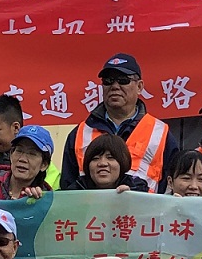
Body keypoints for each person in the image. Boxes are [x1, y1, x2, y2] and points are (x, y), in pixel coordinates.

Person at [61, 52, 171, 191]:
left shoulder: (160, 133)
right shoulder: (79, 133)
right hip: (90, 205)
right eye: (108, 80)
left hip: (143, 205)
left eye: (123, 80)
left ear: (139, 86)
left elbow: (172, 187)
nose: (114, 86)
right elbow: (67, 189)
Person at [0, 125, 53, 202]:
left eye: (32, 154)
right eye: (19, 151)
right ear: (11, 154)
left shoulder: (46, 201)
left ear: (44, 165)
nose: (22, 159)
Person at [81, 132, 151, 193]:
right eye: (95, 158)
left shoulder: (137, 187)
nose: (102, 163)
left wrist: (132, 196)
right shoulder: (77, 187)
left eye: (110, 158)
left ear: (122, 162)